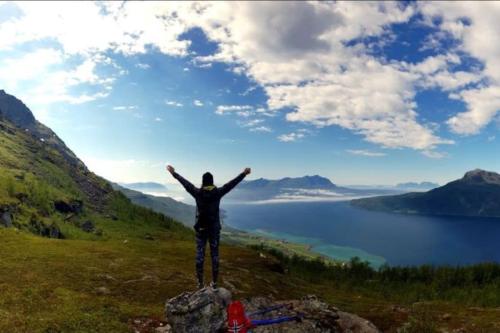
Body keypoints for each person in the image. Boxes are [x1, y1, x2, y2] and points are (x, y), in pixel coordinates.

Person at [166, 165, 251, 289]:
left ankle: (200, 284)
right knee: (214, 255)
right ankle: (215, 283)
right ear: (212, 182)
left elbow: (185, 183)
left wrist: (174, 173)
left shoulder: (197, 193)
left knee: (200, 256)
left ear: (203, 182)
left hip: (201, 230)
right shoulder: (217, 193)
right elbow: (231, 184)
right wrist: (243, 174)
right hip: (214, 230)